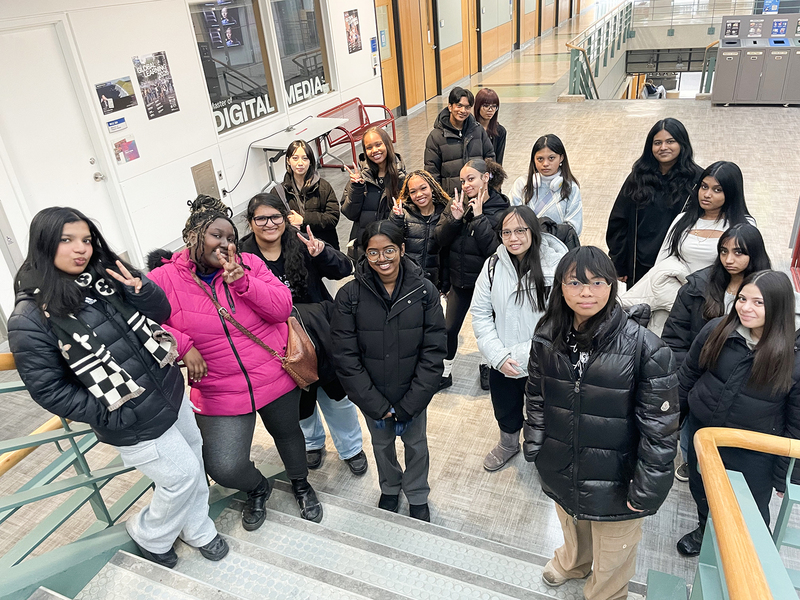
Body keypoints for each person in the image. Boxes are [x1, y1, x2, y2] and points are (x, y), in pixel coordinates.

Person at [8, 207, 227, 570]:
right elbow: (48, 389)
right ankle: (151, 533)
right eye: (67, 240)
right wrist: (113, 413)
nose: (80, 249)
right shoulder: (30, 317)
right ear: (44, 245)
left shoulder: (104, 278)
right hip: (130, 415)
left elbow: (160, 311)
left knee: (193, 460)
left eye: (86, 240)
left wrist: (140, 289)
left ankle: (197, 528)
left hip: (168, 388)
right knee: (181, 477)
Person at [148, 195, 323, 528]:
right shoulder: (163, 279)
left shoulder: (250, 264)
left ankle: (301, 484)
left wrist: (242, 280)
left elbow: (281, 308)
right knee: (223, 465)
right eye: (217, 236)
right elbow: (144, 321)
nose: (226, 244)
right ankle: (257, 487)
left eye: (230, 237)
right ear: (193, 237)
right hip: (218, 388)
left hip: (274, 373)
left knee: (289, 435)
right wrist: (183, 346)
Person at [524, 246, 679, 600]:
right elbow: (536, 394)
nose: (586, 292)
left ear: (613, 285)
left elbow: (661, 431)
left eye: (597, 282)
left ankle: (605, 594)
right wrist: (535, 441)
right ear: (560, 287)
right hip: (563, 462)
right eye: (575, 282)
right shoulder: (548, 334)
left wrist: (647, 488)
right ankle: (573, 564)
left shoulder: (646, 349)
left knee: (614, 554)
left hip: (618, 478)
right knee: (571, 525)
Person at [239, 193, 368, 475]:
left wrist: (323, 252)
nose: (269, 223)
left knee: (335, 393)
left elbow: (345, 269)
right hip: (277, 339)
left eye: (276, 217)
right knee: (299, 398)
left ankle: (351, 447)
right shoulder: (243, 256)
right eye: (261, 218)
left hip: (320, 331)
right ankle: (312, 443)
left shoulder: (301, 240)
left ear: (285, 218)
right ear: (250, 222)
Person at [676, 270, 800, 557]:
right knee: (702, 489)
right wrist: (670, 421)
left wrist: (784, 475)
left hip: (753, 451)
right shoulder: (718, 330)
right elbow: (688, 376)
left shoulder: (791, 359)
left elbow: (796, 423)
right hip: (703, 435)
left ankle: (748, 555)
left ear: (778, 306)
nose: (746, 307)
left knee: (750, 509)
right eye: (742, 298)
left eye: (758, 302)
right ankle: (705, 529)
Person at [331, 221, 446, 522]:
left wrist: (413, 401)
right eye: (373, 252)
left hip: (413, 393)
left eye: (389, 250)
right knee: (382, 446)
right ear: (364, 255)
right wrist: (374, 404)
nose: (382, 258)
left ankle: (418, 493)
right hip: (374, 395)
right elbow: (346, 356)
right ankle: (390, 488)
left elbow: (434, 351)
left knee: (417, 446)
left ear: (402, 249)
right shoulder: (349, 296)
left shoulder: (424, 292)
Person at [662, 224, 771, 482]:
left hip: (746, 384)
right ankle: (692, 462)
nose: (729, 260)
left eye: (738, 253)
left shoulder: (768, 292)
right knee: (693, 435)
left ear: (754, 254)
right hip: (701, 378)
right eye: (723, 251)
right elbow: (675, 337)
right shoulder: (698, 286)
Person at [471, 206, 567, 472]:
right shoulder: (492, 265)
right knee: (505, 406)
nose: (513, 238)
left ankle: (542, 450)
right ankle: (509, 444)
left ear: (533, 231)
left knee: (544, 410)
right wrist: (498, 355)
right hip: (502, 360)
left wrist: (522, 357)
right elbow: (480, 313)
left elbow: (559, 321)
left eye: (520, 230)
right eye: (506, 232)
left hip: (544, 360)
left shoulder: (557, 266)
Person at [435, 159, 509, 390]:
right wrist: (455, 220)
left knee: (490, 329)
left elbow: (496, 251)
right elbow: (439, 240)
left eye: (471, 179)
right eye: (463, 180)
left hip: (490, 285)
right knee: (448, 329)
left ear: (485, 178)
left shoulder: (502, 210)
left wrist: (478, 219)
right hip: (461, 282)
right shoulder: (456, 204)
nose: (466, 185)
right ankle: (445, 372)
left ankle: (487, 365)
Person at [606, 118, 701, 286]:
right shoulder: (638, 177)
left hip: (677, 266)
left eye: (670, 141)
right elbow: (618, 221)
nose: (663, 147)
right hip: (639, 264)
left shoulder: (697, 180)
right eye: (657, 143)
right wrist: (618, 263)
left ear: (682, 144)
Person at [655, 161, 755, 274]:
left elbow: (751, 268)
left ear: (731, 193)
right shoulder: (682, 220)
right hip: (679, 289)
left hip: (718, 289)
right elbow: (660, 264)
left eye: (717, 190)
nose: (707, 195)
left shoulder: (744, 225)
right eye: (704, 187)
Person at [342, 126, 406, 258]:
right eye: (369, 147)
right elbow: (350, 213)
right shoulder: (360, 178)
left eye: (378, 144)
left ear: (387, 144)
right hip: (364, 249)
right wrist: (356, 188)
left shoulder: (402, 179)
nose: (374, 150)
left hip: (390, 248)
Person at [424, 87, 495, 196]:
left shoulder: (478, 130)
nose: (463, 111)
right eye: (459, 106)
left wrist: (487, 185)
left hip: (478, 194)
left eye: (467, 107)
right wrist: (440, 198)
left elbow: (489, 157)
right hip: (451, 198)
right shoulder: (436, 137)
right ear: (450, 107)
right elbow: (431, 172)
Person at [270, 139, 341, 249]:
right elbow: (274, 222)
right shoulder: (278, 192)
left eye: (305, 158)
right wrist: (289, 223)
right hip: (295, 249)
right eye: (295, 158)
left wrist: (303, 220)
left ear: (310, 161)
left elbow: (332, 218)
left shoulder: (323, 187)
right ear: (288, 161)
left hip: (324, 247)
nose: (300, 163)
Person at [510, 134, 583, 235]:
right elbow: (511, 219)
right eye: (540, 159)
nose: (545, 164)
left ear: (561, 158)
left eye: (551, 158)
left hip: (558, 247)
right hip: (525, 245)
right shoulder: (522, 184)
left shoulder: (571, 188)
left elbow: (574, 228)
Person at [390, 169, 449, 289]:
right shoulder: (403, 214)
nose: (419, 195)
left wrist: (445, 286)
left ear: (432, 187)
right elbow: (392, 243)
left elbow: (448, 253)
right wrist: (397, 220)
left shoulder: (445, 213)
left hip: (434, 283)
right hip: (406, 282)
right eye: (413, 191)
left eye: (423, 188)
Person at [474, 88, 506, 165]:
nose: (490, 110)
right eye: (486, 106)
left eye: (494, 106)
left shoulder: (500, 131)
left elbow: (498, 160)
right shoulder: (470, 128)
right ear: (478, 106)